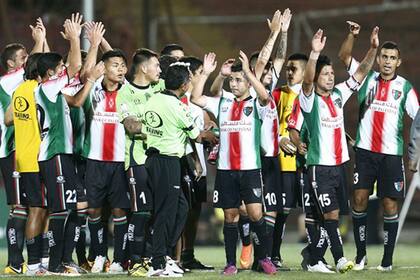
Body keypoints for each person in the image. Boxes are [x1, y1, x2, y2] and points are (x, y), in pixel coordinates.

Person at [338, 21, 420, 271]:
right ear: (378, 58)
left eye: (391, 57)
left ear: (398, 62)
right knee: (359, 199)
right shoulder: (366, 77)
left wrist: (414, 154)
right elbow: (344, 56)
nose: (386, 60)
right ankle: (361, 255)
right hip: (364, 152)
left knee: (389, 204)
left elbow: (418, 119)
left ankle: (387, 259)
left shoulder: (404, 88)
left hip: (391, 156)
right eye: (383, 56)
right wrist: (352, 36)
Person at [299, 26, 379, 273]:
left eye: (332, 73)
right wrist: (314, 54)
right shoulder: (309, 100)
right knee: (330, 214)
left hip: (339, 166)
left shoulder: (338, 95)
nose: (331, 77)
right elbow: (307, 81)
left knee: (332, 216)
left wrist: (373, 49)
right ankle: (339, 258)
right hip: (319, 167)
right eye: (326, 74)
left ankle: (313, 260)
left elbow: (361, 73)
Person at [191, 52, 277, 275]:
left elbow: (266, 97)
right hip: (226, 170)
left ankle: (264, 258)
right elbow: (196, 98)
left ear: (248, 82)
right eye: (232, 80)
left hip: (250, 169)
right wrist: (208, 74)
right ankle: (230, 263)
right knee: (230, 216)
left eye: (239, 80)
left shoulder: (257, 103)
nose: (234, 84)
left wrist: (249, 71)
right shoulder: (223, 102)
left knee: (256, 214)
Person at [143, 62, 204, 277]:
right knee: (165, 212)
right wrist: (213, 133)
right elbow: (196, 135)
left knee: (181, 207)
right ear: (185, 85)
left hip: (153, 160)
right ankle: (157, 263)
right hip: (167, 162)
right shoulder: (178, 107)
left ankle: (163, 255)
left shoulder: (154, 99)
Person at [0, 17, 48, 275]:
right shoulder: (9, 82)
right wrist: (39, 41)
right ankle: (15, 263)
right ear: (11, 64)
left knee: (33, 206)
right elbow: (33, 68)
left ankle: (30, 261)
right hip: (14, 150)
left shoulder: (17, 81)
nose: (27, 59)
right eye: (22, 57)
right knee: (20, 207)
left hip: (27, 150)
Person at [82, 48, 131, 274]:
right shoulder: (93, 92)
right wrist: (95, 44)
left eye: (123, 65)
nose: (120, 69)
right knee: (94, 211)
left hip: (120, 163)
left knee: (120, 211)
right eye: (115, 65)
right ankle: (100, 255)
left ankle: (120, 260)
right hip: (95, 161)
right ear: (103, 68)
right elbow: (84, 74)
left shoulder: (129, 92)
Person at [116, 47, 163, 276]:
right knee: (141, 211)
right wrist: (159, 128)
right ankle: (134, 262)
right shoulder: (125, 93)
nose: (159, 70)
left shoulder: (159, 87)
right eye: (156, 65)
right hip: (137, 160)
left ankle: (153, 259)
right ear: (144, 68)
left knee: (158, 212)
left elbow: (185, 86)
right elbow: (131, 126)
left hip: (159, 161)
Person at [178, 56, 217, 271]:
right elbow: (185, 132)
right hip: (185, 164)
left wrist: (209, 129)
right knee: (181, 212)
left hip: (199, 166)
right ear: (192, 74)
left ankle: (188, 255)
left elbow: (205, 127)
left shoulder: (197, 103)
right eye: (202, 72)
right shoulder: (178, 100)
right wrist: (202, 134)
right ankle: (173, 257)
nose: (204, 75)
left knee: (194, 212)